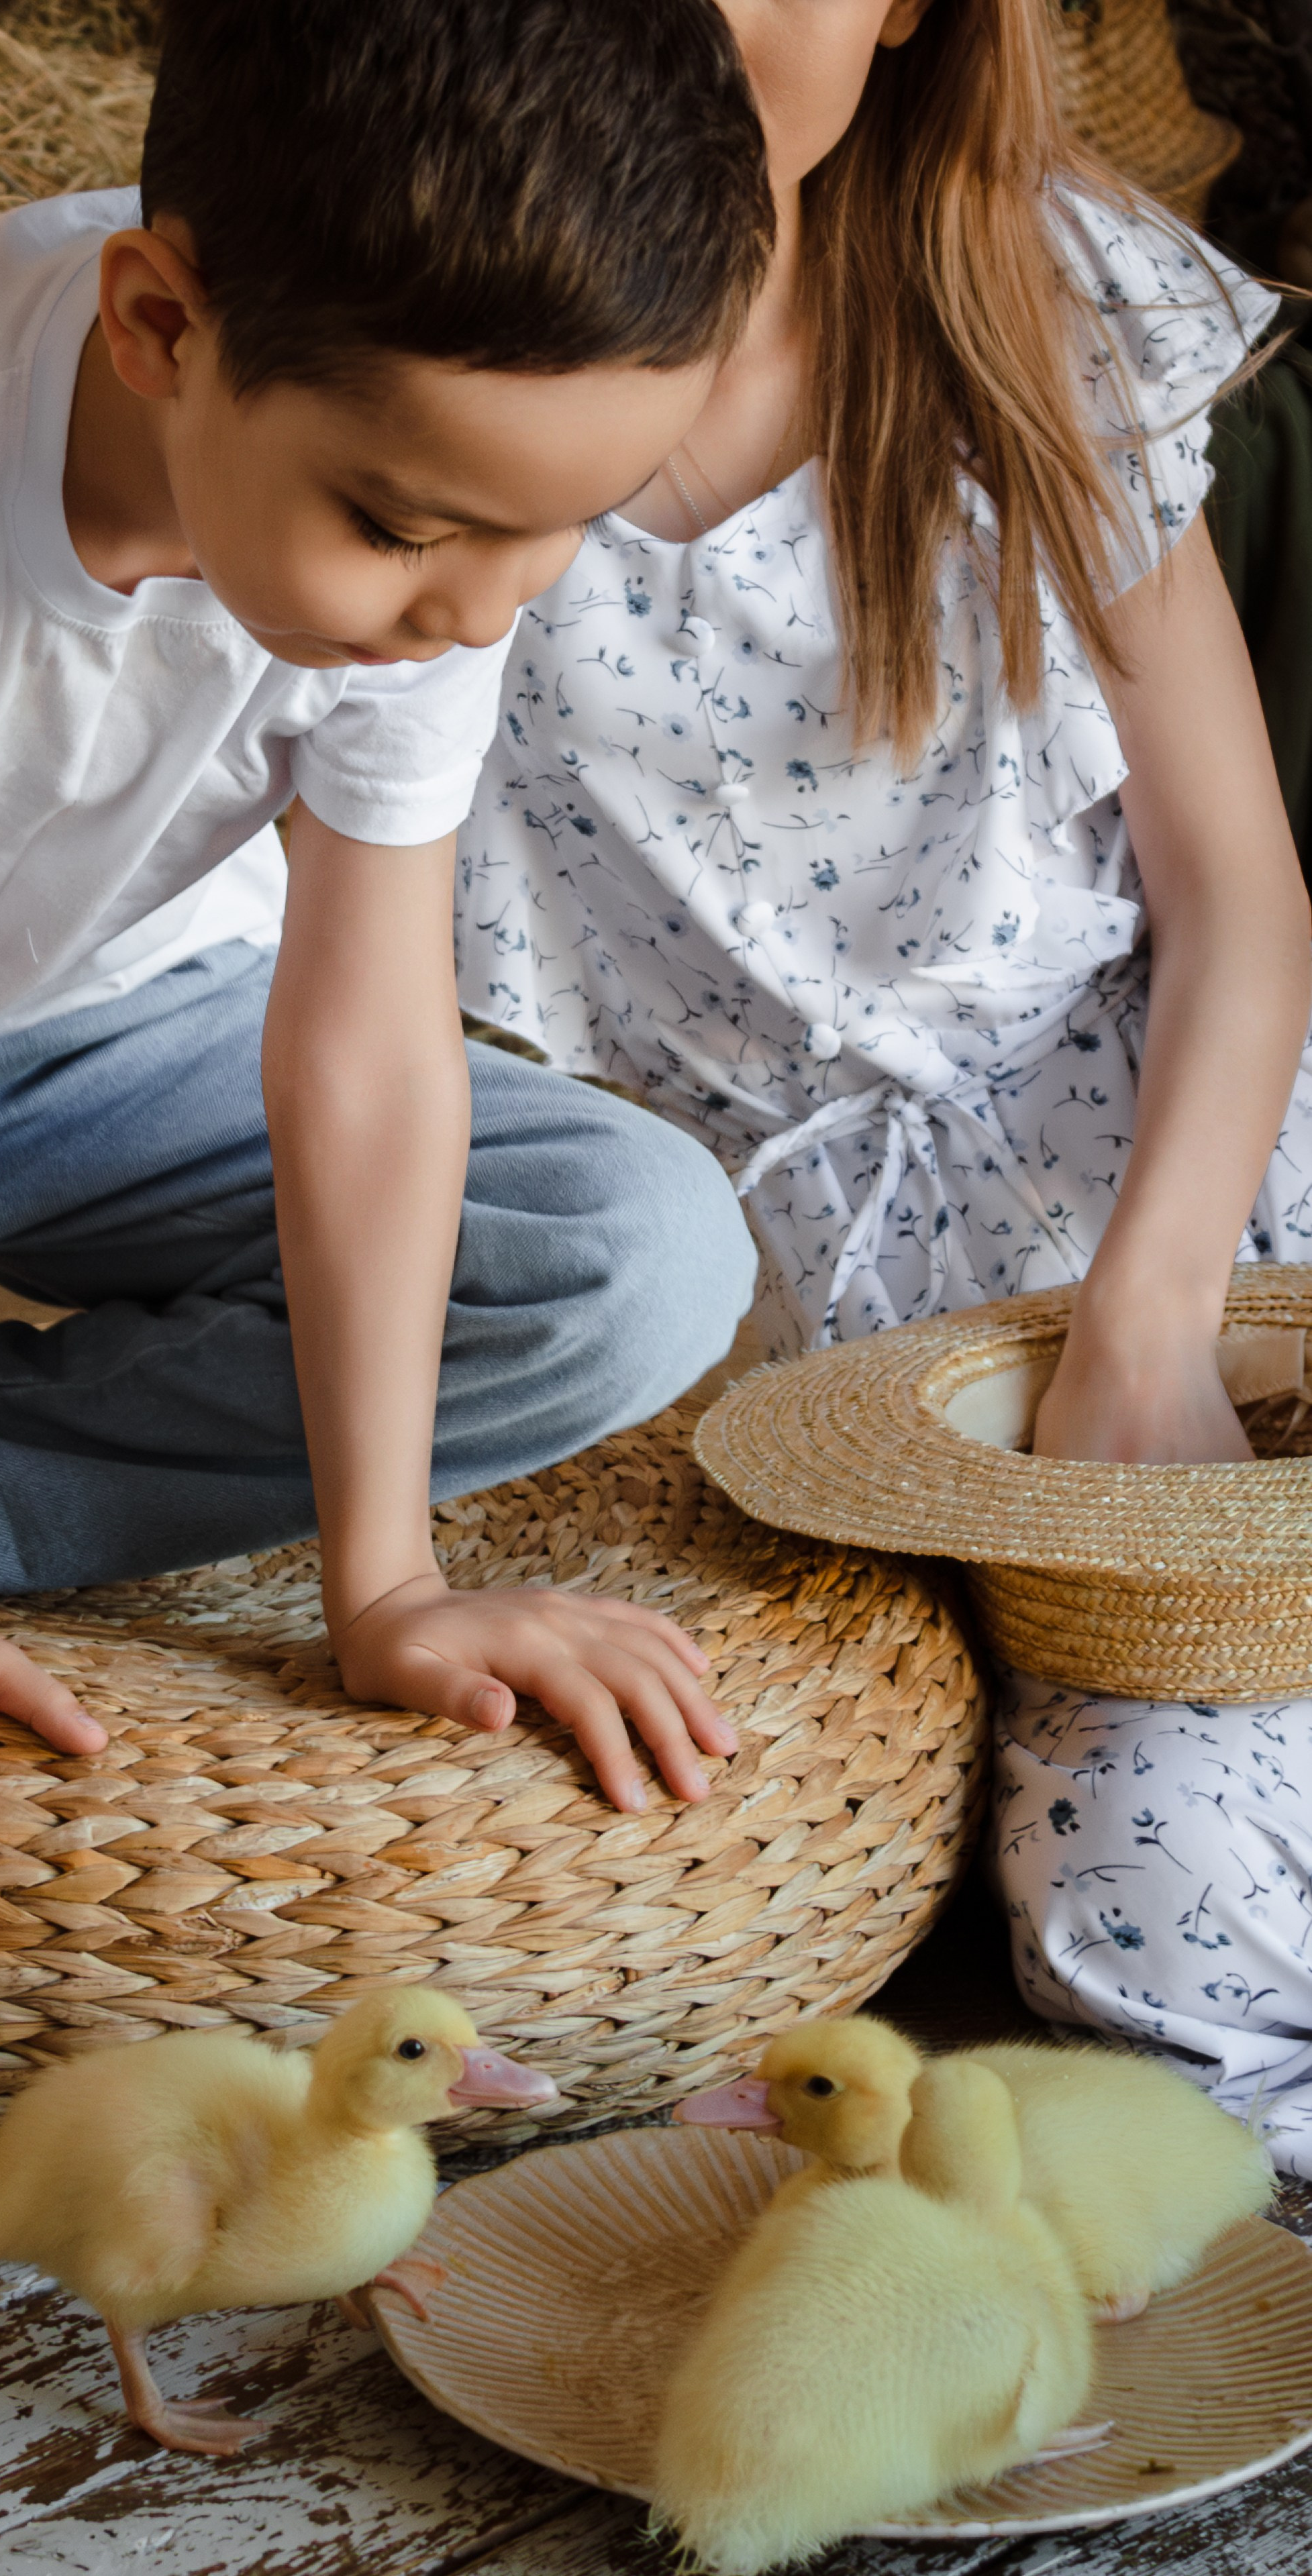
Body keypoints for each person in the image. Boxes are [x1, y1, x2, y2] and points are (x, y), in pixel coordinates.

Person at [0, 0, 770, 1988]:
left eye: (558, 533)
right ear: (160, 328)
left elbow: (369, 1052)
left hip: (124, 1052)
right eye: (408, 531)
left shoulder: (441, 521)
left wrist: (384, 1578)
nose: (481, 608)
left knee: (639, 1253)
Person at [452, 0, 1312, 2167]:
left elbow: (1240, 895)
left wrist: (1152, 1320)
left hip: (1162, 1171)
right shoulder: (427, 343)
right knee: (1072, 1904)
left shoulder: (1027, 289)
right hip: (751, 1291)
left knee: (1212, 1789)